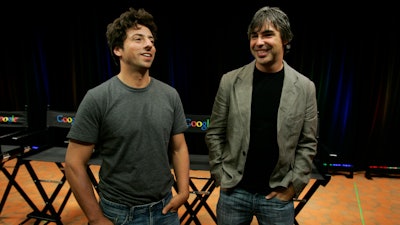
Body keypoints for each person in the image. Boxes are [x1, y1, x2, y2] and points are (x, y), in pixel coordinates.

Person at [64, 7, 190, 225]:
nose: (149, 44)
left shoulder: (170, 95)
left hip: (166, 210)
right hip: (119, 215)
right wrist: (95, 218)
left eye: (151, 39)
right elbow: (74, 164)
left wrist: (184, 191)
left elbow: (179, 147)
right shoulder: (98, 98)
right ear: (117, 50)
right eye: (138, 39)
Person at [205, 6, 318, 225]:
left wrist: (294, 186)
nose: (258, 42)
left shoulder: (305, 88)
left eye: (267, 34)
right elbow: (215, 133)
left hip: (279, 194)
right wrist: (221, 174)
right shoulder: (230, 81)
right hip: (233, 193)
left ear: (284, 39)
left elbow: (307, 143)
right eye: (254, 36)